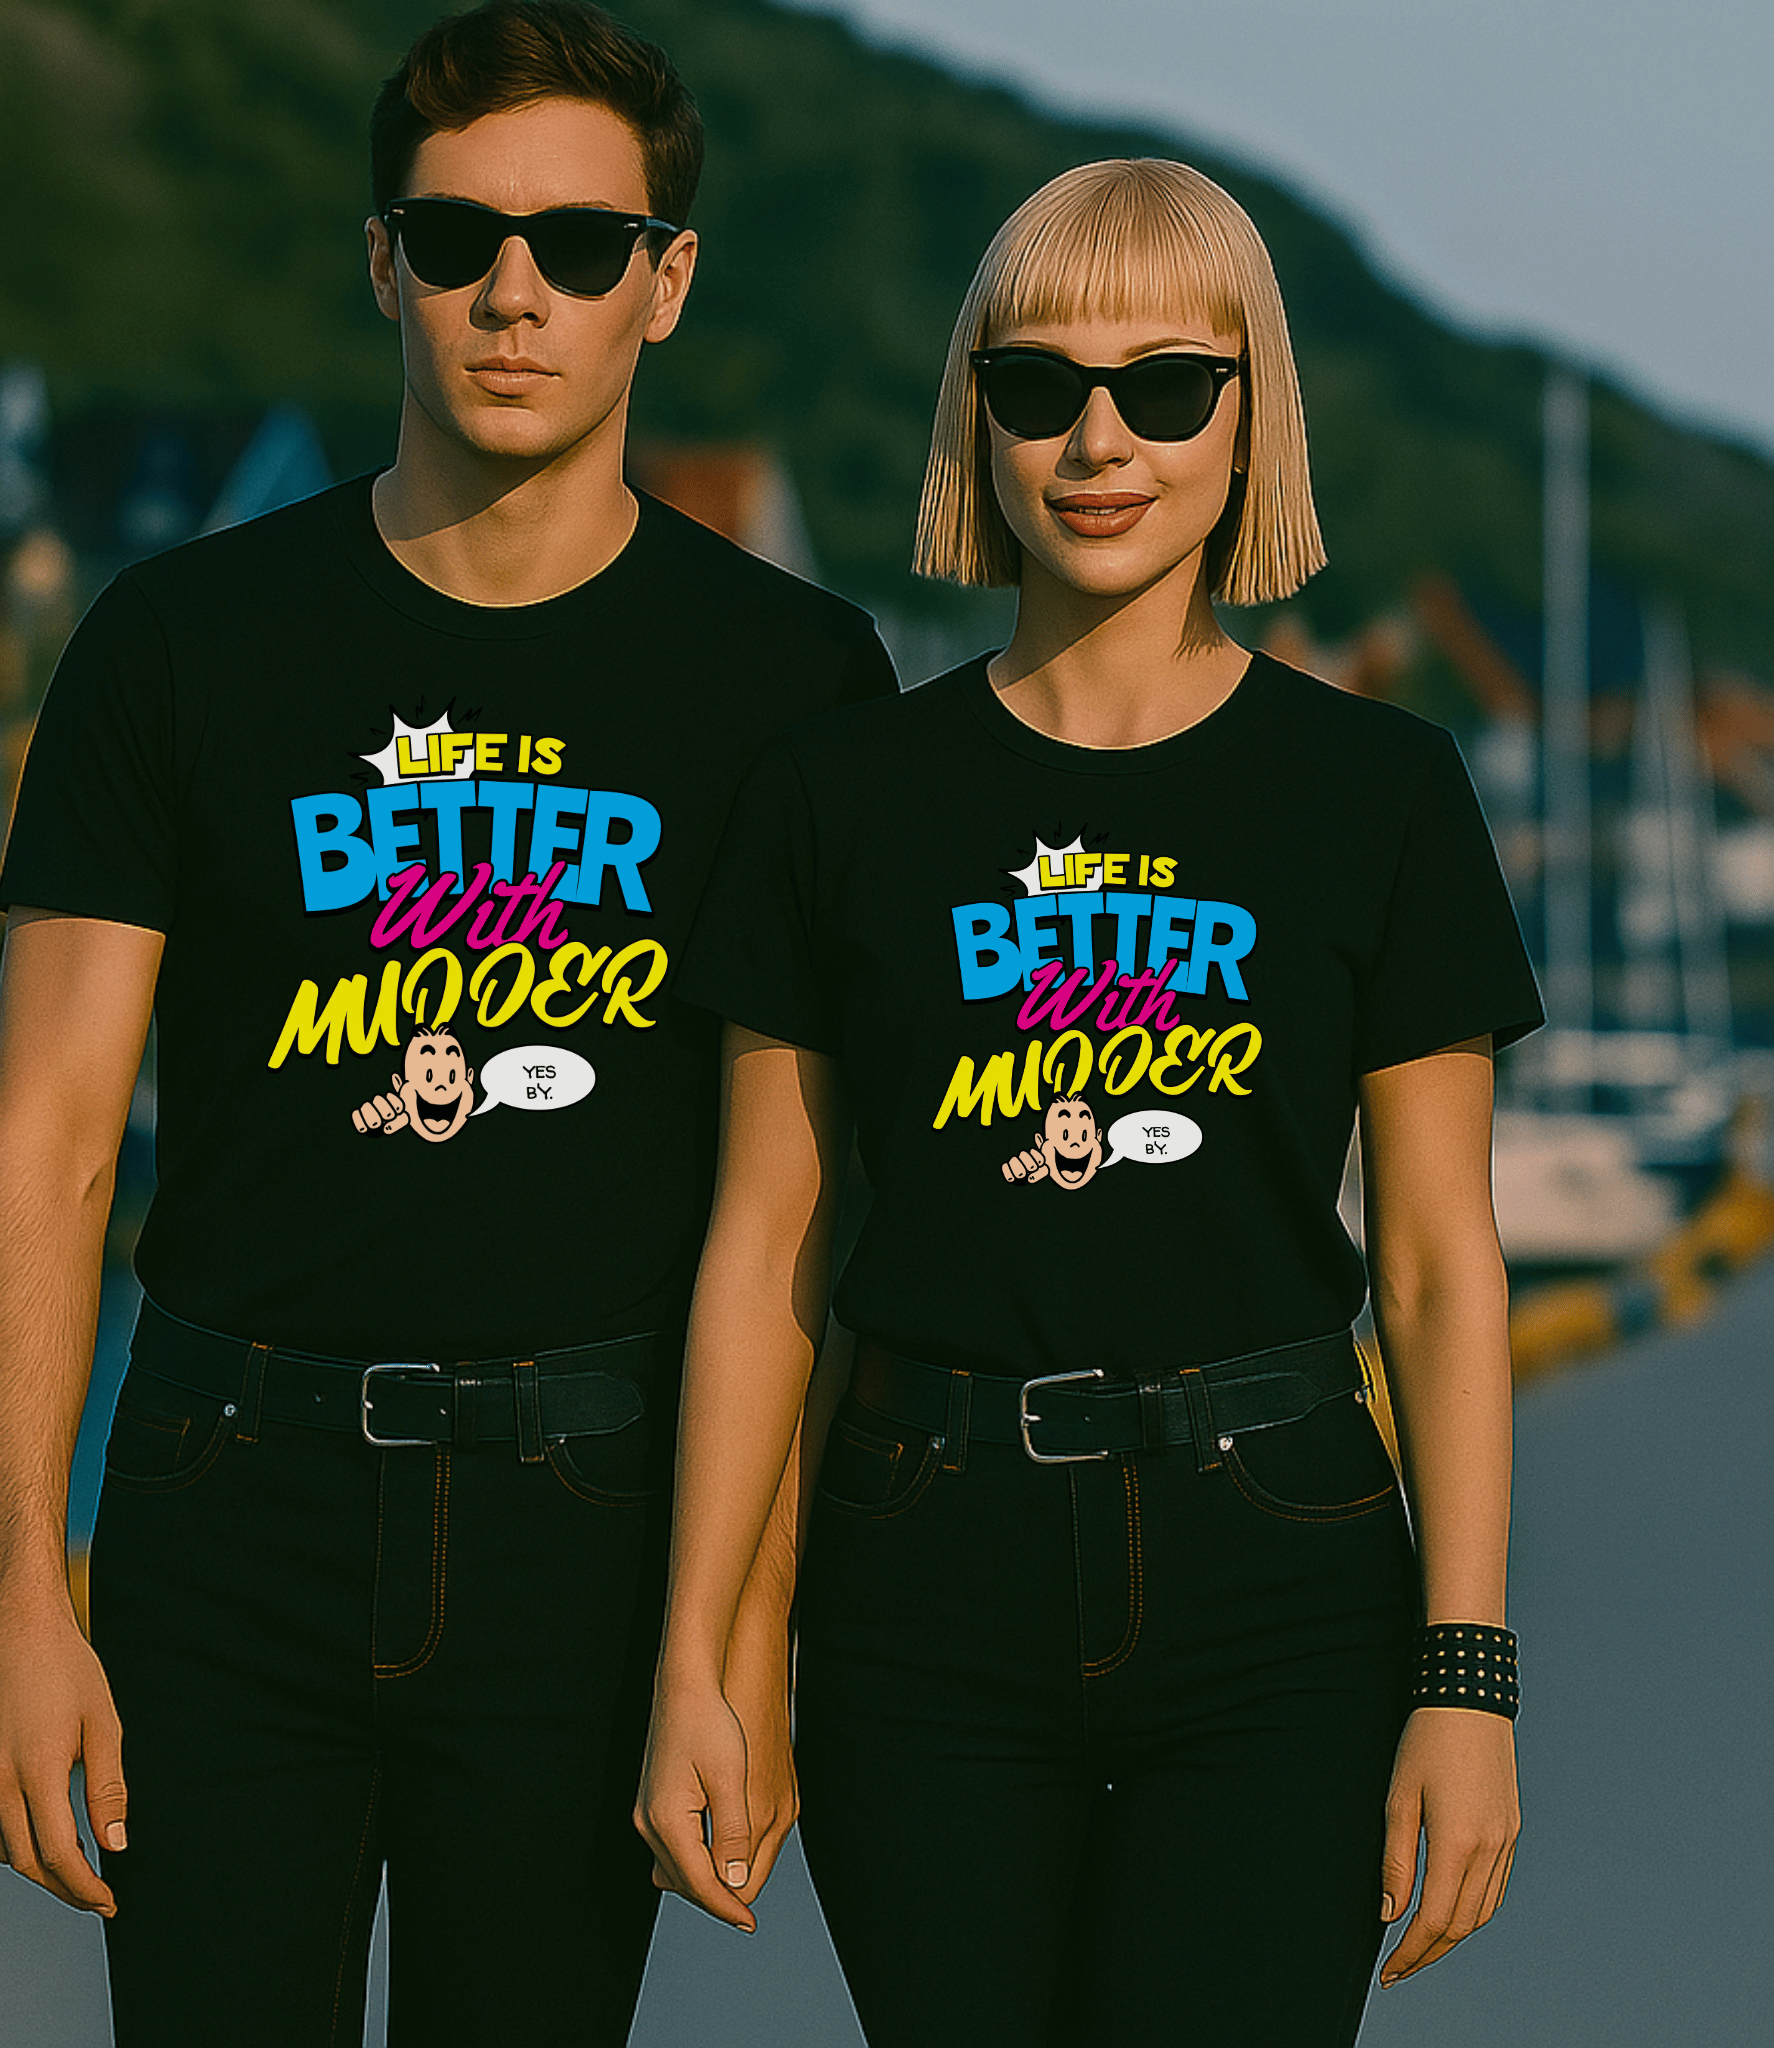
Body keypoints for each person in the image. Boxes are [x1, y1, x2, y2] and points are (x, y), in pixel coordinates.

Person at [0, 4, 892, 2042]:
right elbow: (48, 1136)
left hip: (589, 1521)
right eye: (458, 240)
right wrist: (22, 1595)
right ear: (383, 262)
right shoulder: (176, 644)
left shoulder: (793, 682)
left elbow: (789, 1217)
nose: (513, 294)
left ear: (668, 281)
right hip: (225, 1500)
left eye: (576, 245)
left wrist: (734, 1640)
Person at [639, 157, 1541, 2046]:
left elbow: (1446, 1269)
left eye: (1166, 387)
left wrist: (1466, 1677)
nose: (1099, 439)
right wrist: (703, 1661)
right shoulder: (841, 797)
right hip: (920, 1579)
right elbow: (769, 1249)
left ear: (1251, 412)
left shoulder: (1379, 792)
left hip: (1280, 1574)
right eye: (1039, 387)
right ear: (978, 415)